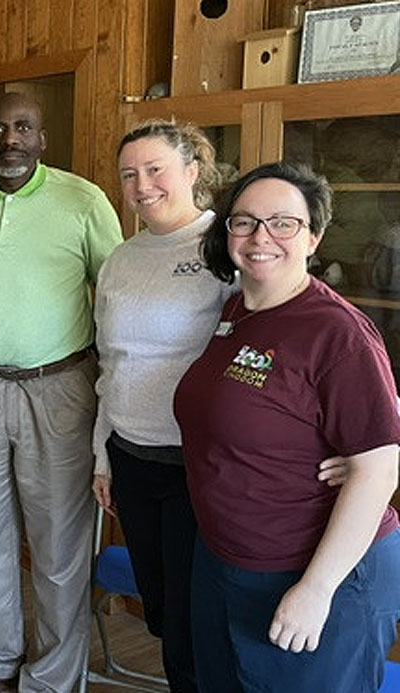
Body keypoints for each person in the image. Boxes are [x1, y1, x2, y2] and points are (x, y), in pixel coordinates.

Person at [175, 162, 400, 692]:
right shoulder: (235, 311)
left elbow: (377, 470)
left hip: (316, 573)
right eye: (244, 222)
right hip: (226, 559)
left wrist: (317, 589)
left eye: (283, 223)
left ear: (313, 236)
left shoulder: (337, 332)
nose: (260, 237)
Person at [0, 92, 121, 693]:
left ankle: (50, 679)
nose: (9, 139)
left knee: (58, 549)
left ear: (43, 140)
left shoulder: (84, 201)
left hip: (61, 390)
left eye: (23, 128)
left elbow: (114, 295)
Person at [89, 120, 230, 691]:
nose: (141, 185)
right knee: (166, 615)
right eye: (129, 174)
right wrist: (103, 456)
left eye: (155, 170)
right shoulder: (122, 259)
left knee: (199, 620)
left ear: (191, 172)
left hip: (198, 466)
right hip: (132, 458)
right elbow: (111, 363)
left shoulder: (225, 247)